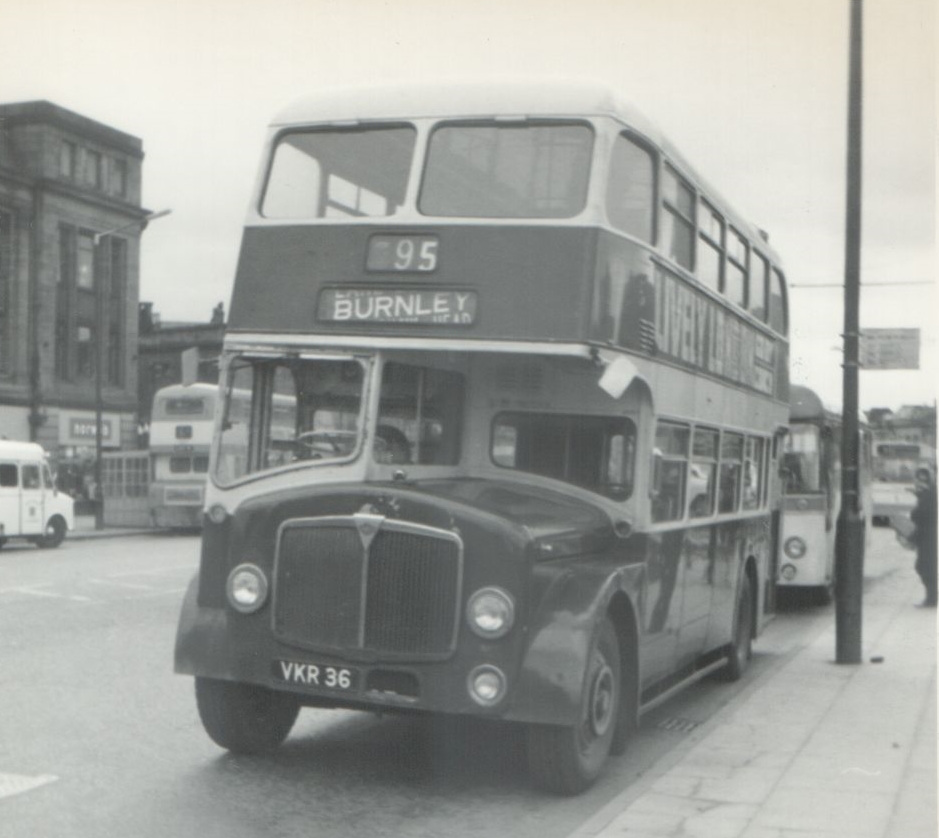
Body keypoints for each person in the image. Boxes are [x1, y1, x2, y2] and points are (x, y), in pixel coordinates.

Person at [910, 467, 937, 607]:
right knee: (925, 566)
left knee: (924, 566)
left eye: (922, 479)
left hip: (929, 537)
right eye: (918, 478)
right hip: (927, 537)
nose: (919, 482)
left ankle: (932, 598)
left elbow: (919, 515)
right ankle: (932, 597)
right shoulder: (928, 493)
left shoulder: (930, 494)